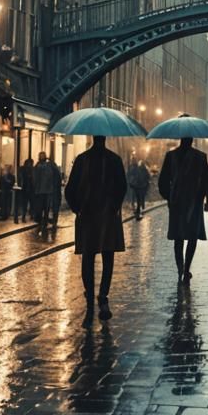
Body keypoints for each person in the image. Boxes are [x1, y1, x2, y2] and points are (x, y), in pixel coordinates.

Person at [66, 138, 128, 324]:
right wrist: (114, 207)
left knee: (89, 257)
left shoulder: (82, 160)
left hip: (89, 215)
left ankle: (93, 296)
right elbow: (122, 187)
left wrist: (78, 208)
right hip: (106, 215)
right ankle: (102, 295)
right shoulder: (114, 160)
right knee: (106, 257)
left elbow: (70, 189)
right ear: (105, 138)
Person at [158, 137, 208, 283]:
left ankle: (181, 268)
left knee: (179, 238)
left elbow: (162, 180)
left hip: (177, 201)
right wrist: (207, 201)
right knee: (192, 237)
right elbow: (207, 180)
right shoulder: (201, 157)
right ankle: (186, 268)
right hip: (194, 201)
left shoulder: (171, 156)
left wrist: (169, 197)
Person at [32, 151, 61, 237]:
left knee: (46, 207)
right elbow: (34, 178)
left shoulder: (49, 165)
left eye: (43, 156)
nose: (42, 157)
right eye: (40, 156)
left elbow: (54, 176)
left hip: (48, 191)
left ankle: (44, 222)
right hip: (40, 191)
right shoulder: (37, 166)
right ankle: (41, 221)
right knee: (40, 207)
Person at [15, 157, 34, 224]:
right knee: (24, 204)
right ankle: (23, 217)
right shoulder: (23, 170)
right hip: (25, 190)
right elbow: (20, 178)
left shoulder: (32, 170)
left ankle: (29, 215)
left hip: (30, 190)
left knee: (30, 204)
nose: (30, 165)